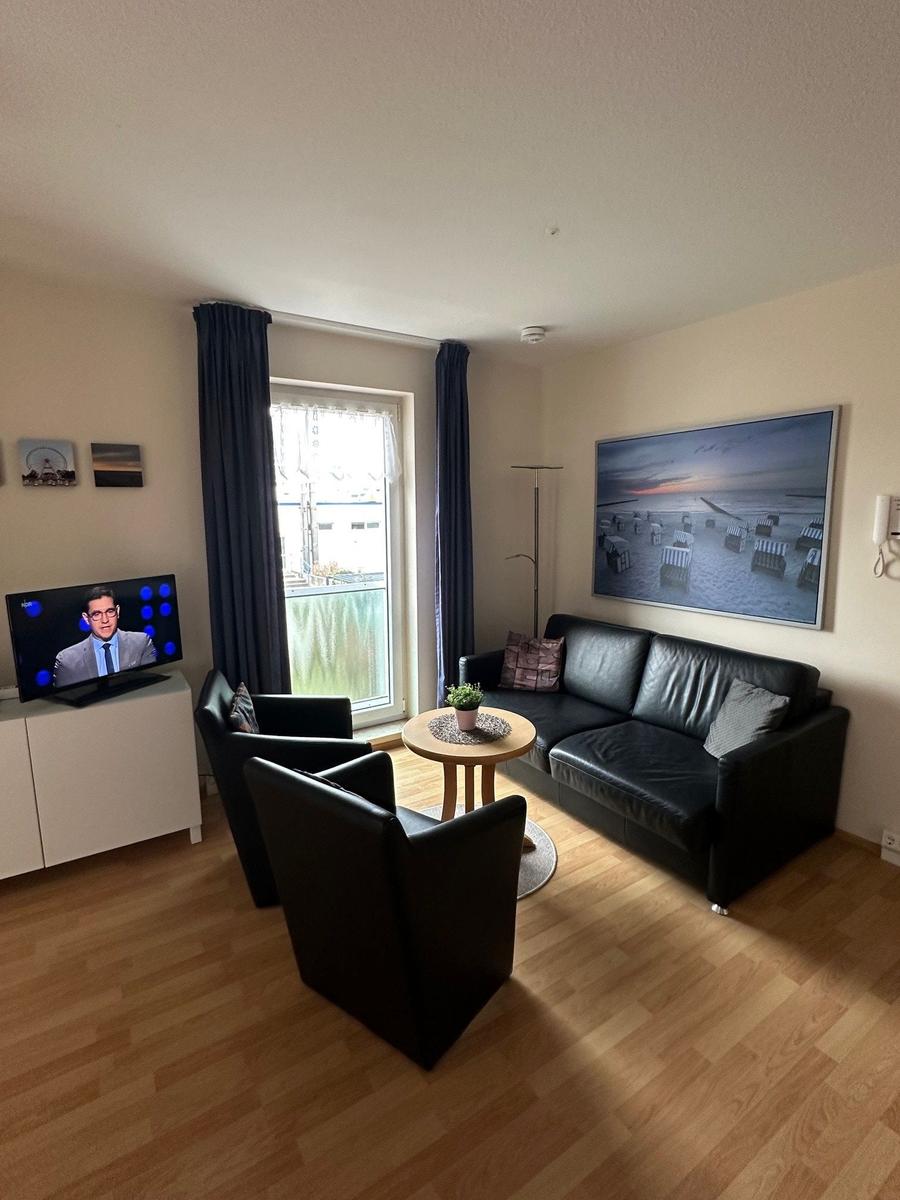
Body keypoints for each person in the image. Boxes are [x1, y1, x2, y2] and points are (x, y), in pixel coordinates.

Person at [53, 585, 157, 687]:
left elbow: (150, 685)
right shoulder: (67, 661)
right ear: (86, 618)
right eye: (96, 614)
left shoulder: (141, 643)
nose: (105, 620)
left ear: (117, 611)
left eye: (110, 611)